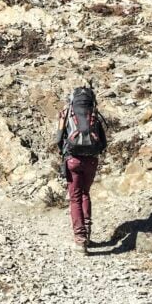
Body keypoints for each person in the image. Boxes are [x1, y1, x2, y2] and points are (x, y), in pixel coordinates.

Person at [55, 86, 108, 254]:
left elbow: (58, 139)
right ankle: (88, 233)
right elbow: (103, 143)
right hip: (91, 160)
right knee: (85, 193)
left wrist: (64, 153)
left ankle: (80, 239)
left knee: (75, 198)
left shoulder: (67, 113)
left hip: (73, 160)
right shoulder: (93, 113)